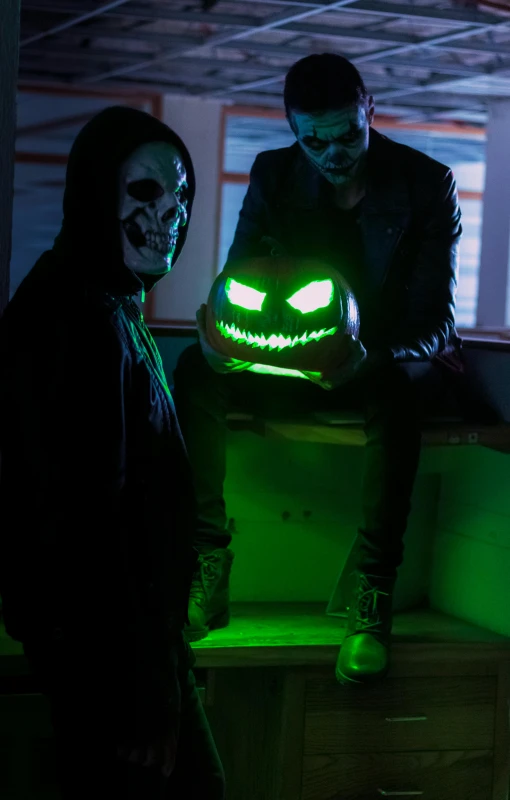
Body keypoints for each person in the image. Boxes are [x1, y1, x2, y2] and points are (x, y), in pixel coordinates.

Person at [173, 53, 472, 685]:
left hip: (378, 364)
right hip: (290, 356)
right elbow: (237, 280)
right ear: (291, 127)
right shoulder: (274, 175)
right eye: (314, 139)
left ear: (370, 112)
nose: (331, 153)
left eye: (346, 136)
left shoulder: (427, 182)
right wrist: (217, 334)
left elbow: (438, 324)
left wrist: (367, 359)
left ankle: (372, 597)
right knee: (194, 371)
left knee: (397, 394)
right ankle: (206, 562)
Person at [0, 107, 225, 799]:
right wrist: (145, 683)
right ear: (98, 193)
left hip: (115, 653)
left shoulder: (103, 299)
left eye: (182, 197)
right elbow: (89, 521)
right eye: (146, 193)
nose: (171, 217)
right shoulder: (80, 318)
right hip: (114, 664)